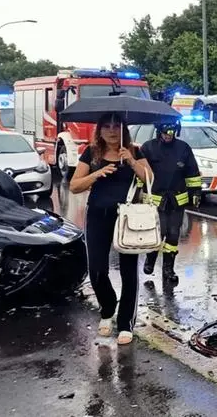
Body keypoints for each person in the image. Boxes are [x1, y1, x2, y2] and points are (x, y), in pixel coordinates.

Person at [69, 113, 153, 346]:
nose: (112, 131)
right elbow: (74, 186)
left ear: (124, 129)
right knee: (96, 269)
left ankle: (126, 323)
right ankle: (108, 308)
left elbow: (150, 178)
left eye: (117, 126)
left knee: (128, 271)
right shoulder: (91, 153)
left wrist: (132, 161)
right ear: (100, 130)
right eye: (107, 126)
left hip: (127, 218)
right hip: (97, 216)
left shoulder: (135, 150)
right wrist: (96, 174)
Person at [140, 120, 202, 285]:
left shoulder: (183, 148)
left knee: (173, 235)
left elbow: (192, 172)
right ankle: (150, 260)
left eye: (172, 132)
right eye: (166, 132)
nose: (169, 136)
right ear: (159, 131)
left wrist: (196, 192)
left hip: (177, 200)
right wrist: (136, 195)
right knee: (157, 234)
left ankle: (168, 269)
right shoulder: (148, 148)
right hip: (155, 200)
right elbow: (141, 173)